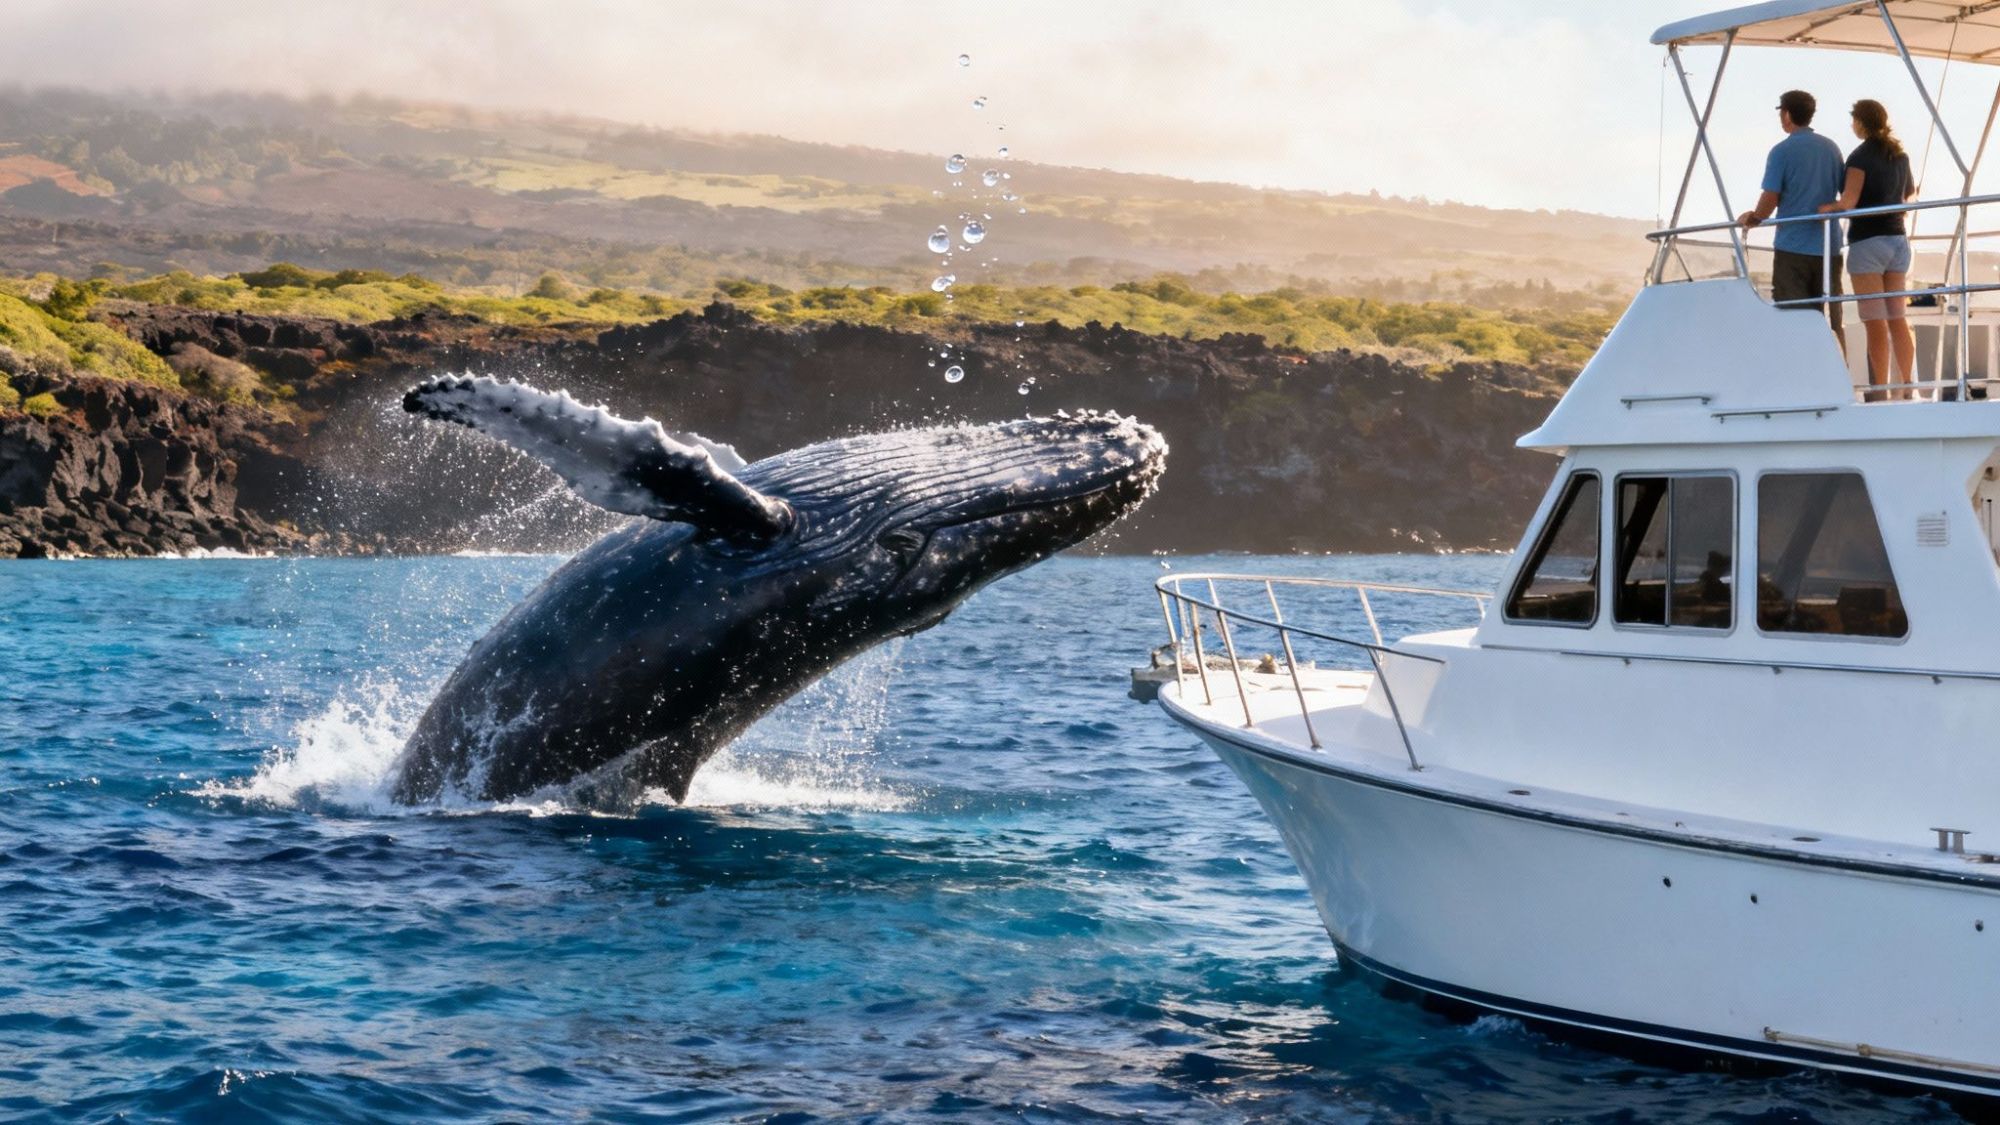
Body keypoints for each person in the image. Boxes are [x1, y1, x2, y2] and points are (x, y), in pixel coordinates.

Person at [1819, 99, 1917, 401]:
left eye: (1853, 120)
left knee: (1875, 322)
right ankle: (1907, 388)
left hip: (1869, 244)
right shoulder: (1899, 155)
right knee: (1897, 318)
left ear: (1860, 122)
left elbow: (1848, 201)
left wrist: (1826, 208)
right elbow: (1908, 194)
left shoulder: (1859, 156)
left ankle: (1882, 392)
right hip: (1898, 243)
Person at [1739, 89, 1847, 353]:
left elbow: (1771, 197)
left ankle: (1800, 379)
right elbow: (1844, 190)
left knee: (1792, 316)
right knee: (1832, 319)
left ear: (1786, 114)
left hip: (1794, 248)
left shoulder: (1782, 151)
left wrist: (1754, 218)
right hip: (1829, 247)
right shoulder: (1831, 148)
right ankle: (1838, 374)